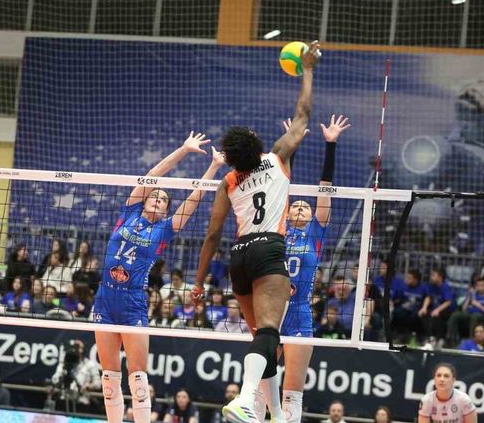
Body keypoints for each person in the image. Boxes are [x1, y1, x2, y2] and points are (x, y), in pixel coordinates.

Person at [193, 41, 322, 423]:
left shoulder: (229, 181)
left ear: (232, 158)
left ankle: (276, 416)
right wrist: (308, 69)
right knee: (268, 333)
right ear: (256, 145)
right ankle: (245, 399)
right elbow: (303, 114)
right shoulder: (277, 157)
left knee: (263, 340)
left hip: (239, 257)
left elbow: (212, 236)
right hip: (268, 251)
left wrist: (198, 281)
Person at [93, 132, 225, 423]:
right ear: (145, 200)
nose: (158, 199)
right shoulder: (130, 211)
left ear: (166, 209)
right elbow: (154, 174)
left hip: (133, 304)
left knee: (138, 381)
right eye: (155, 195)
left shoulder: (165, 229)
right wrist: (184, 149)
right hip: (105, 300)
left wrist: (214, 166)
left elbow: (194, 198)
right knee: (109, 379)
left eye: (164, 199)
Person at [276, 114, 350, 423]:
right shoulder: (279, 226)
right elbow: (283, 182)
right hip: (272, 309)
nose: (300, 207)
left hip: (300, 312)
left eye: (305, 206)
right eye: (296, 205)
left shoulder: (316, 231)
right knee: (260, 384)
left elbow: (325, 188)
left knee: (292, 392)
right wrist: (291, 144)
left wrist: (330, 145)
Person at [446, 276, 484, 347]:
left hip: (481, 316)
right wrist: (469, 296)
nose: (479, 287)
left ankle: (471, 342)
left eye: (481, 285)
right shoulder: (473, 296)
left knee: (475, 316)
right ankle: (450, 340)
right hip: (469, 314)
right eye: (478, 285)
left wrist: (479, 306)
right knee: (456, 315)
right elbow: (464, 309)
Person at [420, 268, 456, 345]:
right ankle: (429, 337)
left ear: (440, 277)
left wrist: (438, 310)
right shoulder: (431, 286)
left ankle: (440, 338)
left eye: (433, 275)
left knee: (437, 316)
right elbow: (428, 297)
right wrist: (424, 308)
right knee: (424, 314)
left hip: (446, 309)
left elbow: (448, 302)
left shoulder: (445, 287)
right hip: (435, 308)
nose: (431, 277)